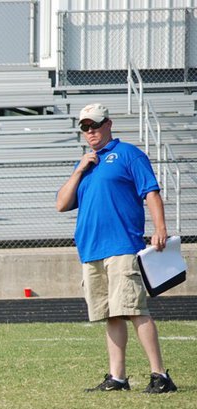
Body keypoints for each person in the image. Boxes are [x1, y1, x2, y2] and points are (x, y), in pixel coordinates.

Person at [55, 102, 177, 394]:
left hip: (122, 245)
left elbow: (151, 192)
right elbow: (61, 204)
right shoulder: (84, 165)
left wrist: (160, 228)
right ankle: (117, 377)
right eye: (85, 127)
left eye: (95, 125)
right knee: (111, 313)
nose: (90, 131)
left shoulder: (129, 154)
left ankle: (160, 375)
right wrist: (79, 170)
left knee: (134, 309)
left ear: (108, 124)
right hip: (91, 249)